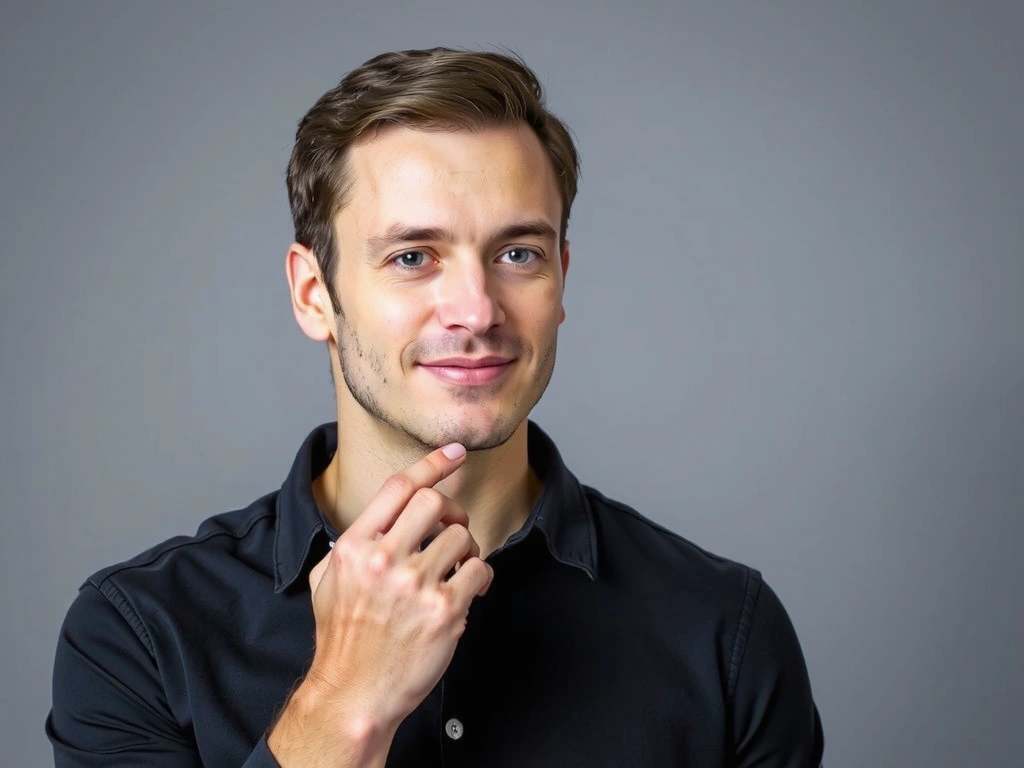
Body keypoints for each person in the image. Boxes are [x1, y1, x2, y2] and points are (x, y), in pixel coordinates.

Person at [47, 48, 825, 767]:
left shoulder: (725, 631)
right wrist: (342, 703)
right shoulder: (139, 636)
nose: (476, 310)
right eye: (413, 257)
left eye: (517, 254)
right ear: (314, 293)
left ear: (562, 278)